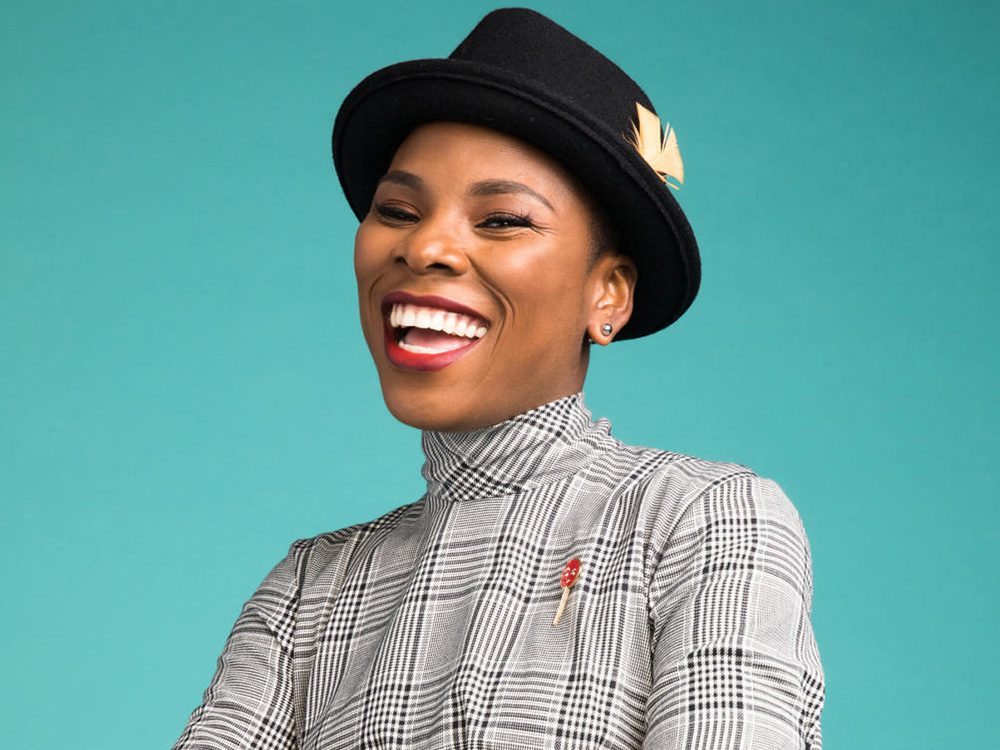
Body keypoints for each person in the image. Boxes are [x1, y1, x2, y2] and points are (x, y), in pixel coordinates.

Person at [172, 8, 824, 749]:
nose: (425, 246)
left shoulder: (699, 519)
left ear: (608, 294)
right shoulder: (308, 589)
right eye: (397, 210)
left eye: (503, 220)